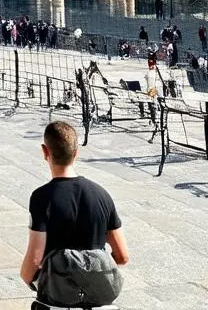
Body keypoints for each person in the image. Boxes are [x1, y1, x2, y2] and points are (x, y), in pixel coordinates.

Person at [20, 121, 129, 310]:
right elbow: (122, 256)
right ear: (76, 153)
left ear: (45, 152)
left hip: (56, 300)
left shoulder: (42, 198)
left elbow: (35, 258)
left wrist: (28, 278)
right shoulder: (101, 195)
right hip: (97, 302)